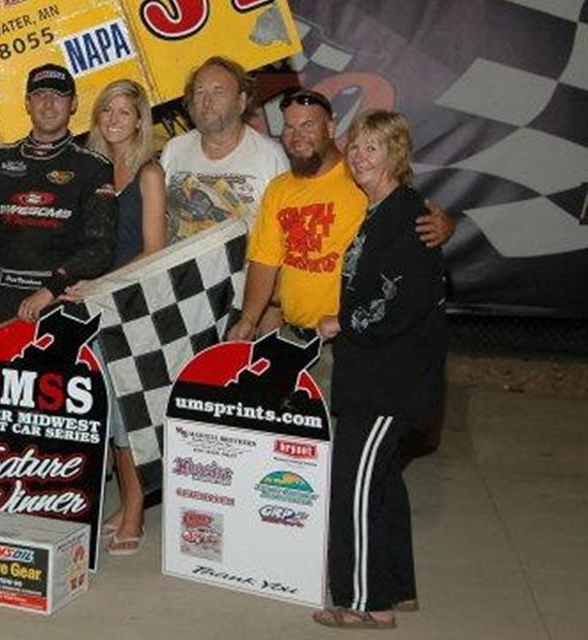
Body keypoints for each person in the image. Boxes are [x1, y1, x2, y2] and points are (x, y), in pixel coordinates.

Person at [226, 87, 454, 397]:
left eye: (308, 125)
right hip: (293, 336)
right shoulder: (279, 190)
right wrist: (249, 318)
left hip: (346, 341)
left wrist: (444, 225)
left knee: (343, 436)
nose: (297, 135)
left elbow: (407, 217)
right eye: (289, 126)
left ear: (331, 128)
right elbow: (265, 260)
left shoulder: (361, 176)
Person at [311, 110, 446, 629]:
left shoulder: (409, 217)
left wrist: (344, 324)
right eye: (357, 147)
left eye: (375, 148)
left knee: (354, 486)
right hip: (373, 376)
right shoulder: (381, 212)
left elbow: (399, 301)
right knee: (384, 484)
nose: (362, 157)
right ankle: (397, 588)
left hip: (388, 383)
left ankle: (363, 602)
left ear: (397, 155)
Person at [75, 78, 166, 555]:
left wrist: (101, 284)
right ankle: (125, 500)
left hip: (132, 305)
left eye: (124, 111)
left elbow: (154, 250)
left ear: (139, 120)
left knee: (130, 415)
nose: (113, 119)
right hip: (92, 305)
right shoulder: (90, 170)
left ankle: (135, 511)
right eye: (106, 110)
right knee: (110, 412)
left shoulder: (148, 173)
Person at [0, 63, 116, 337]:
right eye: (40, 94)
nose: (49, 103)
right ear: (27, 103)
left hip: (60, 302)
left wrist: (50, 290)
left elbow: (101, 246)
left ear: (74, 104)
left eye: (59, 95)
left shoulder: (93, 167)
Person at [159, 56, 289, 334]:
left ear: (242, 101)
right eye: (200, 92)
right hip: (177, 299)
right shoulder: (174, 149)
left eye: (219, 92)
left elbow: (284, 243)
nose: (207, 101)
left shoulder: (269, 156)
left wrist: (268, 315)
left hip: (240, 308)